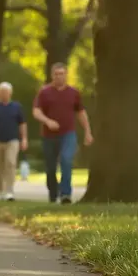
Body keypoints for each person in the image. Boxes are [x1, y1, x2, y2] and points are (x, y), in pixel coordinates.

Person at [33, 63, 93, 204]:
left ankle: (66, 194)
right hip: (49, 136)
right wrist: (47, 121)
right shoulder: (44, 92)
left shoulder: (74, 93)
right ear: (52, 75)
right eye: (56, 74)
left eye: (62, 73)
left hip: (68, 133)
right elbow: (36, 111)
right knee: (51, 166)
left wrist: (88, 132)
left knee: (66, 160)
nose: (59, 76)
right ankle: (53, 192)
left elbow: (81, 113)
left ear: (66, 75)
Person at [0, 81, 27, 201]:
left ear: (10, 93)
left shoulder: (16, 107)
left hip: (12, 140)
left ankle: (9, 191)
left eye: (6, 92)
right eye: (1, 92)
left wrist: (24, 139)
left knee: (10, 163)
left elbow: (22, 124)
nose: (4, 94)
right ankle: (0, 190)